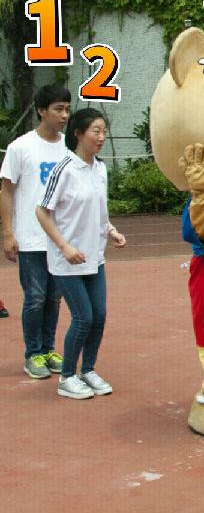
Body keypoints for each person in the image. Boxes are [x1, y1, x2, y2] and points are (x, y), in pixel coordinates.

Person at [35, 108, 126, 399]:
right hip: (67, 260)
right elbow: (42, 211)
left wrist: (111, 230)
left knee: (99, 316)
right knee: (83, 317)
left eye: (104, 132)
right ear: (78, 134)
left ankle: (88, 370)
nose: (101, 137)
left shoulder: (100, 169)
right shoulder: (64, 169)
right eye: (95, 131)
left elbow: (99, 211)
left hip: (93, 257)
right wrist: (64, 247)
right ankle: (67, 377)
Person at [1, 84, 72, 377]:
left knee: (54, 298)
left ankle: (48, 349)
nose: (64, 115)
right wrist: (8, 233)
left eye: (67, 109)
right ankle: (33, 354)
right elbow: (6, 191)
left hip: (60, 239)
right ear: (41, 111)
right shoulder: (21, 147)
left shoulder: (70, 147)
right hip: (31, 238)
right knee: (36, 297)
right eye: (58, 109)